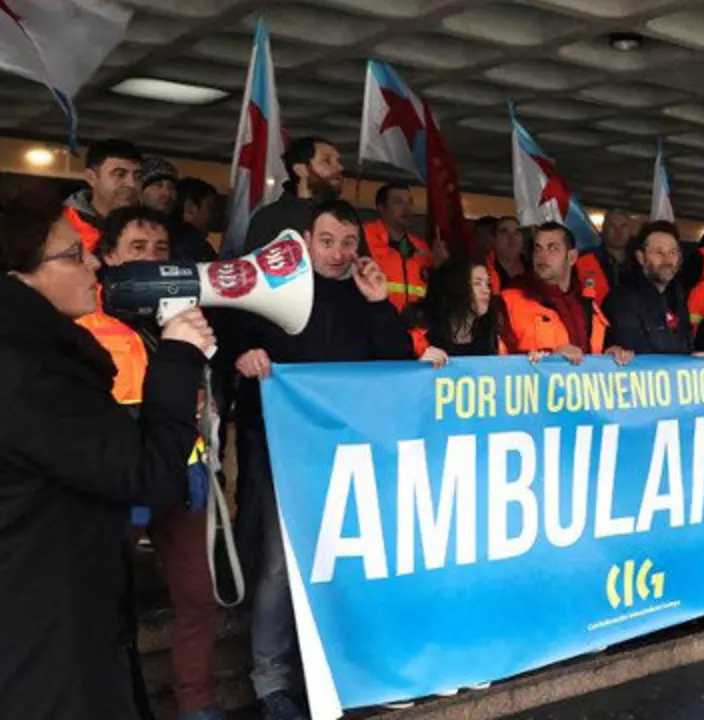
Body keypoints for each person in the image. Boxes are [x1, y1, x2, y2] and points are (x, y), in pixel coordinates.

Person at [0, 199, 214, 719]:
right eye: (74, 255)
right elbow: (144, 476)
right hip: (51, 641)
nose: (93, 265)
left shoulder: (34, 356)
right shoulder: (29, 376)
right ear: (18, 278)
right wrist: (180, 358)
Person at [227, 200, 414, 720]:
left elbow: (396, 363)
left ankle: (335, 670)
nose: (338, 253)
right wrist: (244, 355)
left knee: (348, 559)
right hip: (280, 444)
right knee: (278, 566)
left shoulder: (362, 293)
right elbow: (232, 334)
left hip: (347, 450)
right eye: (328, 240)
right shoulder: (273, 285)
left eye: (349, 243)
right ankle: (272, 685)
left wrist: (379, 303)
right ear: (306, 239)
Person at [80, 206, 224, 720]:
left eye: (160, 251)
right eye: (136, 249)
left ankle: (198, 705)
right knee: (108, 606)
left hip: (181, 474)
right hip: (116, 481)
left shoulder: (179, 317)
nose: (149, 259)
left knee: (196, 597)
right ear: (109, 257)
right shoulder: (83, 323)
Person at [500, 222, 632, 366]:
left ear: (572, 257)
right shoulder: (510, 300)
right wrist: (552, 358)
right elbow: (497, 362)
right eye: (538, 249)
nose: (542, 256)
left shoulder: (587, 301)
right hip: (539, 388)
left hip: (584, 387)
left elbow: (598, 347)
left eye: (553, 249)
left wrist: (611, 353)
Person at [603, 220, 693, 355]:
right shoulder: (624, 299)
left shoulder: (677, 294)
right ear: (641, 257)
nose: (668, 261)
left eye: (673, 253)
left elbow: (687, 343)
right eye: (659, 253)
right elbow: (636, 353)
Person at [243, 136, 344, 254]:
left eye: (338, 161)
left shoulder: (345, 217)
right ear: (301, 170)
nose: (340, 168)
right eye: (327, 161)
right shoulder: (270, 219)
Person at [406, 255, 506, 365]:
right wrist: (416, 364)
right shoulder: (421, 333)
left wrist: (528, 362)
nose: (486, 290)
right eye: (477, 283)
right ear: (455, 287)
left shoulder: (492, 338)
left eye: (487, 284)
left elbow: (507, 372)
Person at [64, 138, 143, 253]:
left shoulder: (152, 226)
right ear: (91, 177)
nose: (132, 184)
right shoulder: (62, 223)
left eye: (138, 176)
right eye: (120, 174)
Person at [364, 182, 432, 312]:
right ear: (381, 207)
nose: (406, 208)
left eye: (409, 202)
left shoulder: (421, 247)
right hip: (375, 324)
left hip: (414, 328)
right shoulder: (364, 237)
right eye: (398, 202)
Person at [574, 209, 633, 304]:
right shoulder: (586, 259)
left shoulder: (640, 261)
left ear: (630, 230)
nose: (618, 231)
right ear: (603, 228)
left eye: (623, 226)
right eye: (612, 226)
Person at [170, 178, 219, 263]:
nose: (215, 214)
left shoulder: (162, 240)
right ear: (190, 208)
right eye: (210, 208)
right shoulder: (198, 247)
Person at [488, 215, 527, 293]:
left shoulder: (532, 267)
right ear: (493, 239)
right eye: (504, 232)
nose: (511, 238)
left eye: (517, 232)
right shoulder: (487, 271)